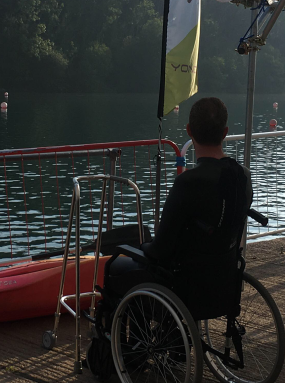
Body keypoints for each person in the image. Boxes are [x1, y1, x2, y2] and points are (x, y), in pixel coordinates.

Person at [105, 97, 253, 319]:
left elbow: (160, 250)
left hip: (185, 287)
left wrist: (143, 245)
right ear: (225, 132)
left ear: (189, 131)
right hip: (225, 280)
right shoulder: (243, 176)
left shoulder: (189, 183)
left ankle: (129, 351)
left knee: (115, 266)